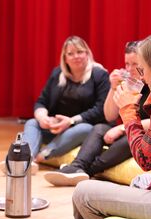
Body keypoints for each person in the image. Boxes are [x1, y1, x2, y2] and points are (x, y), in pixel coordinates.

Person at [72, 33, 151, 219]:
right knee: (140, 181)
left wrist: (128, 111)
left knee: (83, 192)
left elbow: (146, 159)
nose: (143, 76)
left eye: (142, 68)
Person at [44, 41, 150, 186]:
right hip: (129, 127)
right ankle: (77, 166)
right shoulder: (129, 83)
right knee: (100, 127)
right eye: (127, 64)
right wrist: (113, 88)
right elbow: (109, 116)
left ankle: (87, 170)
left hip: (146, 133)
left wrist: (121, 128)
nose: (130, 69)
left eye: (135, 64)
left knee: (130, 139)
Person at [20, 35, 110, 169]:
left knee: (85, 128)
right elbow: (41, 101)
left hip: (82, 126)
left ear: (87, 54)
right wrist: (43, 117)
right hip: (57, 127)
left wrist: (70, 121)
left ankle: (44, 155)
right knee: (32, 122)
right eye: (71, 54)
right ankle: (26, 161)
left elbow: (100, 109)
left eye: (80, 52)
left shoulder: (99, 74)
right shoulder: (57, 73)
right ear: (65, 58)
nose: (76, 56)